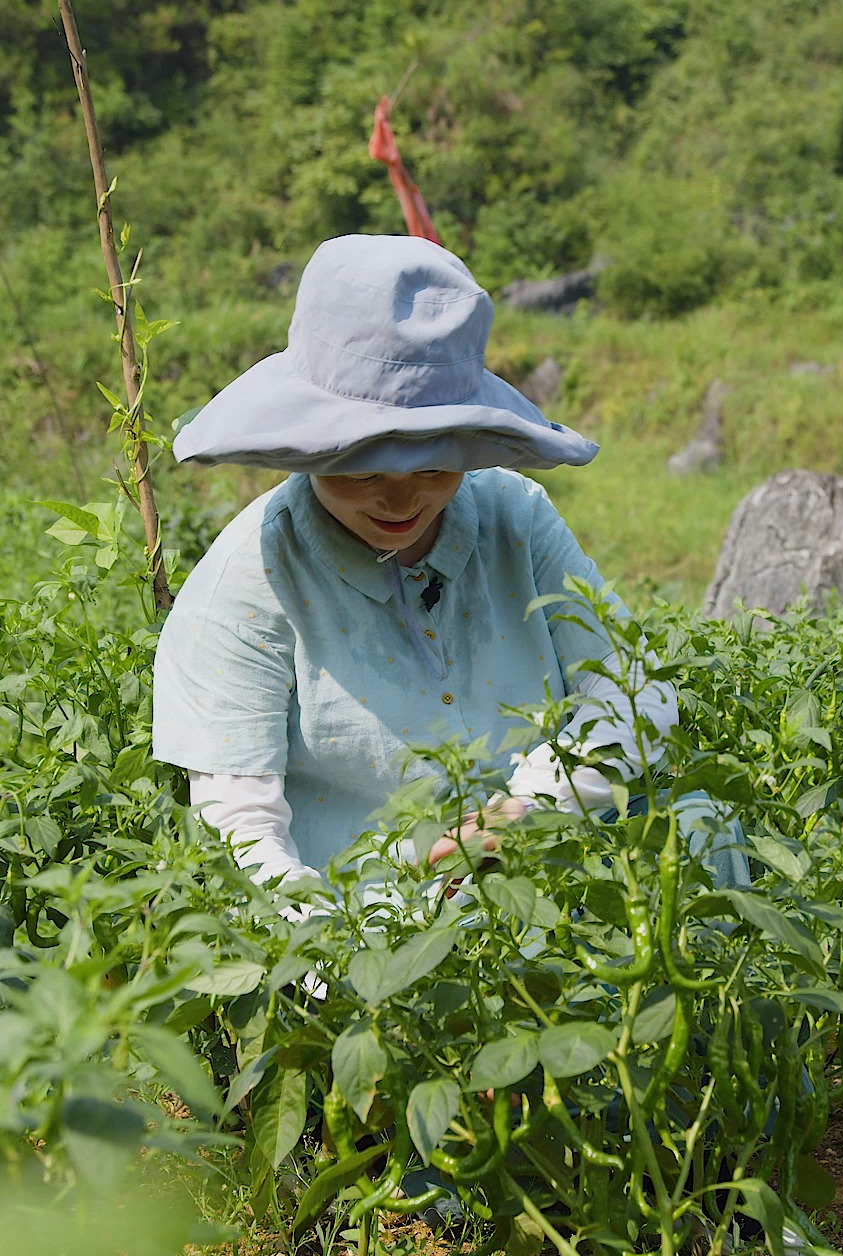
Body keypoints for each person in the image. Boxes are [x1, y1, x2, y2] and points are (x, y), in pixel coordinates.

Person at [152, 235, 684, 888]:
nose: (401, 497)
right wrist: (339, 954)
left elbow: (635, 693)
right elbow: (239, 831)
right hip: (365, 924)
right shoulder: (252, 578)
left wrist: (516, 816)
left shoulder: (515, 517)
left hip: (540, 881)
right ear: (310, 452)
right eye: (361, 469)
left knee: (698, 825)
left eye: (434, 465)